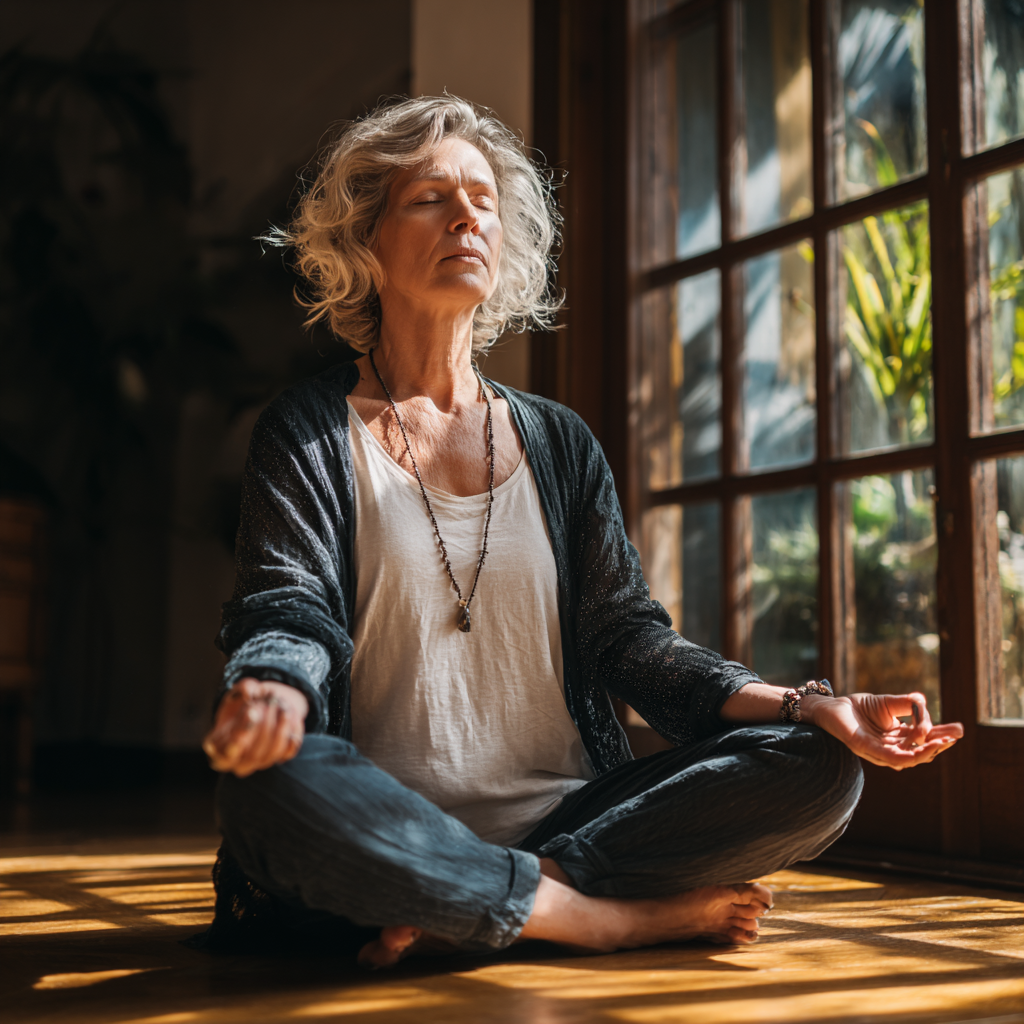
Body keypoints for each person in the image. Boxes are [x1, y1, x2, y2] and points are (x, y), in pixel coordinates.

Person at [199, 96, 963, 968]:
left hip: (572, 819)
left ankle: (495, 892)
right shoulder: (306, 430)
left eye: (484, 200)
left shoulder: (557, 442)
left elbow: (629, 641)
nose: (467, 217)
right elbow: (286, 603)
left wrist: (809, 705)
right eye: (430, 199)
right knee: (269, 783)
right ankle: (604, 921)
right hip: (382, 815)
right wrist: (273, 691)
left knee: (822, 767)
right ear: (365, 241)